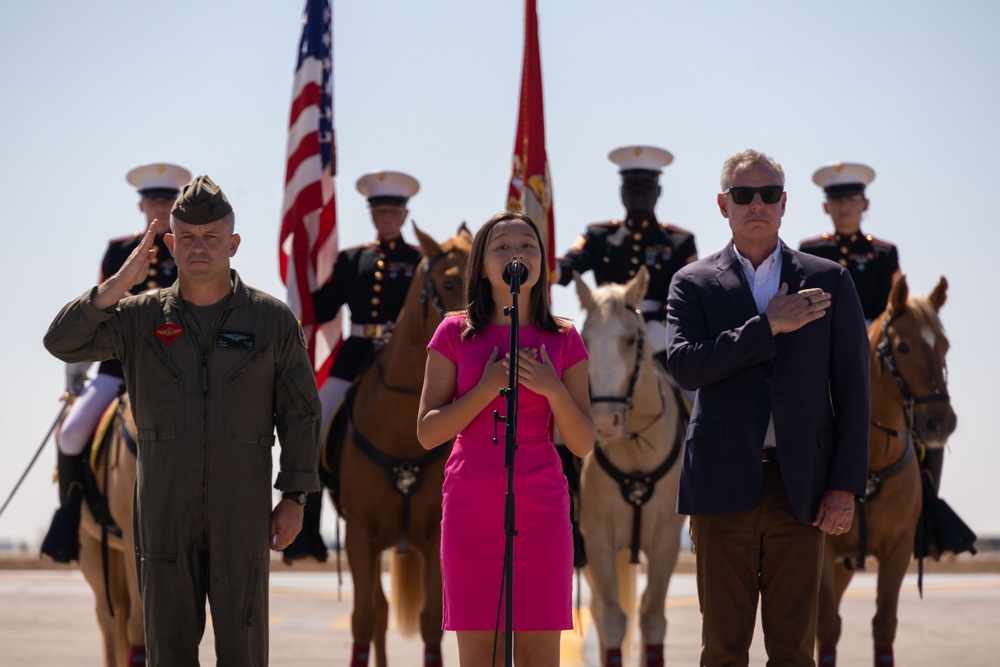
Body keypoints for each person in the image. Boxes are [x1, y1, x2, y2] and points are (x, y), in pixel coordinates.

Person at [43, 175, 322, 665]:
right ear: (169, 244)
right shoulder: (137, 317)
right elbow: (60, 342)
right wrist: (114, 288)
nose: (199, 248)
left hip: (241, 509)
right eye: (188, 238)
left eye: (212, 238)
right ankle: (71, 518)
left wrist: (295, 496)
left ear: (233, 244)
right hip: (164, 510)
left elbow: (300, 413)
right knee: (167, 651)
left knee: (245, 652)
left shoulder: (271, 320)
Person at [665, 149, 870, 666]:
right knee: (722, 650)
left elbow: (852, 390)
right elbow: (686, 367)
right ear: (722, 205)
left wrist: (844, 486)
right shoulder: (691, 282)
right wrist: (768, 326)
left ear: (785, 204)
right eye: (742, 194)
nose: (756, 204)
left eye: (769, 194)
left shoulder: (831, 280)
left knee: (794, 650)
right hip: (720, 486)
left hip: (799, 487)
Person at [416, 211, 594, 666]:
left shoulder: (565, 338)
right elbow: (428, 432)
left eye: (528, 245)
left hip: (542, 511)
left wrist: (552, 388)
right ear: (481, 264)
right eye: (502, 246)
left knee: (540, 657)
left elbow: (583, 442)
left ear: (541, 262)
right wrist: (485, 389)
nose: (516, 253)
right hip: (470, 509)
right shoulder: (453, 332)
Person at [41, 162, 191, 564]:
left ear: (177, 203)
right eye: (153, 199)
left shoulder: (191, 248)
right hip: (118, 366)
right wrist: (77, 369)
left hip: (179, 370)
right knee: (71, 433)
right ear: (141, 204)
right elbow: (101, 305)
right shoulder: (119, 250)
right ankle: (70, 517)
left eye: (167, 198)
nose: (159, 205)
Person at [283, 169, 422, 563]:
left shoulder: (420, 262)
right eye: (379, 211)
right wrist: (301, 271)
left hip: (410, 360)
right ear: (372, 214)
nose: (386, 218)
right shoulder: (352, 260)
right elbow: (322, 307)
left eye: (393, 211)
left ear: (405, 214)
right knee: (315, 423)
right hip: (356, 353)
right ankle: (306, 529)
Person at [555, 145, 697, 366]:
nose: (638, 192)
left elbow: (688, 295)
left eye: (646, 185)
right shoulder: (599, 236)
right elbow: (567, 267)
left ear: (659, 191)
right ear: (621, 191)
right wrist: (542, 264)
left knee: (695, 394)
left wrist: (659, 329)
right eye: (631, 185)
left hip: (660, 340)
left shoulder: (679, 241)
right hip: (606, 333)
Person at [799, 161, 900, 323]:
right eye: (837, 201)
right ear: (826, 207)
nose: (844, 207)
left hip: (870, 340)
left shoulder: (883, 253)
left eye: (851, 200)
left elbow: (890, 304)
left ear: (865, 204)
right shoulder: (810, 251)